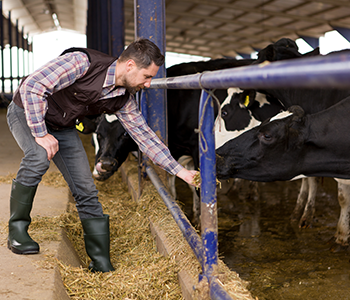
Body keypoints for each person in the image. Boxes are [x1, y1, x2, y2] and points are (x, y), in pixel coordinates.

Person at [6, 38, 199, 273]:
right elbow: (33, 87)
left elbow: (145, 137)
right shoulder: (82, 63)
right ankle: (17, 230)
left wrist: (181, 172)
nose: (148, 84)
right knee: (38, 156)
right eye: (147, 76)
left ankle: (100, 262)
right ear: (129, 65)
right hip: (27, 111)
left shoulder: (123, 99)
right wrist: (40, 133)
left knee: (86, 188)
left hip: (63, 126)